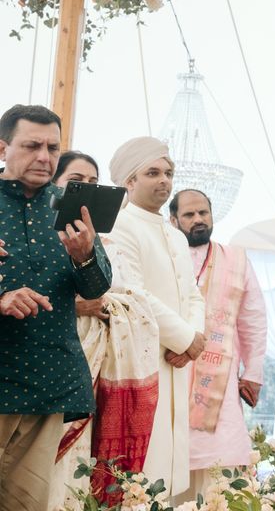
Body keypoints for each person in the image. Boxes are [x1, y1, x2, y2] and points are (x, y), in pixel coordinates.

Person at [0, 105, 111, 511]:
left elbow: (99, 288)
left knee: (26, 505)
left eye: (52, 147)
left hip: (48, 381)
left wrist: (85, 256)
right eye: (32, 146)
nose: (44, 157)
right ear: (3, 149)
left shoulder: (72, 207)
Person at [45, 153, 159, 510]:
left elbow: (125, 296)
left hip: (96, 364)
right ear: (55, 184)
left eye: (94, 183)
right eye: (77, 180)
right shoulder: (38, 236)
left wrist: (109, 306)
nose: (88, 190)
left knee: (80, 462)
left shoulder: (105, 244)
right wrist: (74, 305)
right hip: (48, 357)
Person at [105, 138, 205, 497]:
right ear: (129, 181)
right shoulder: (117, 226)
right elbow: (132, 292)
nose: (164, 180)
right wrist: (184, 339)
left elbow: (193, 294)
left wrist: (194, 340)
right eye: (152, 172)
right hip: (144, 359)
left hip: (177, 360)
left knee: (173, 466)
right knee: (143, 468)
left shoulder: (175, 235)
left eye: (168, 173)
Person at [168, 189, 267, 501]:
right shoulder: (165, 256)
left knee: (221, 470)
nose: (198, 219)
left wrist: (253, 371)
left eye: (203, 213)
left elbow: (253, 317)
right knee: (171, 464)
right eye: (189, 214)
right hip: (171, 373)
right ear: (173, 221)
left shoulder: (235, 259)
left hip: (219, 387)